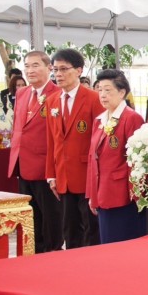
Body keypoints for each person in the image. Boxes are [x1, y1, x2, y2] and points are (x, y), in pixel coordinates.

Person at [46, 48, 103, 249]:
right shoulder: (52, 101)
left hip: (87, 174)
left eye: (63, 69)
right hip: (63, 175)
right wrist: (51, 175)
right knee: (69, 230)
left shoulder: (94, 98)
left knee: (91, 229)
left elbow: (100, 140)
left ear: (79, 70)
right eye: (55, 70)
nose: (58, 74)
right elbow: (51, 140)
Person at [7, 51, 63, 253]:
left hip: (45, 165)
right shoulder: (22, 93)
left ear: (49, 68)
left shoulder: (57, 93)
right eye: (27, 66)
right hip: (23, 163)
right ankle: (34, 253)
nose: (30, 70)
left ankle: (52, 253)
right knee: (31, 219)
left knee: (51, 218)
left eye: (35, 65)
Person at [86, 70, 148, 243]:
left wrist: (137, 195)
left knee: (123, 243)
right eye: (100, 90)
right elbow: (92, 158)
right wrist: (92, 194)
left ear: (122, 93)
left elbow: (137, 160)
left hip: (123, 195)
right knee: (107, 242)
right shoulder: (100, 120)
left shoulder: (131, 118)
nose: (102, 95)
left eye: (108, 90)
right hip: (102, 192)